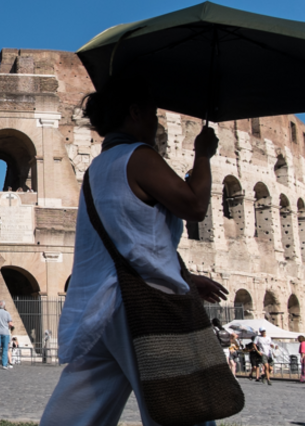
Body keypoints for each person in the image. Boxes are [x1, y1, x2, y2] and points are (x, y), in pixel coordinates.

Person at [40, 76, 226, 426]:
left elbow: (131, 239)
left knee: (75, 415)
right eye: (153, 115)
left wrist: (186, 276)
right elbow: (195, 205)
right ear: (135, 113)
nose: (155, 124)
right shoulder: (138, 157)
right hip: (144, 304)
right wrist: (202, 154)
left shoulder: (98, 168)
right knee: (182, 409)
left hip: (100, 306)